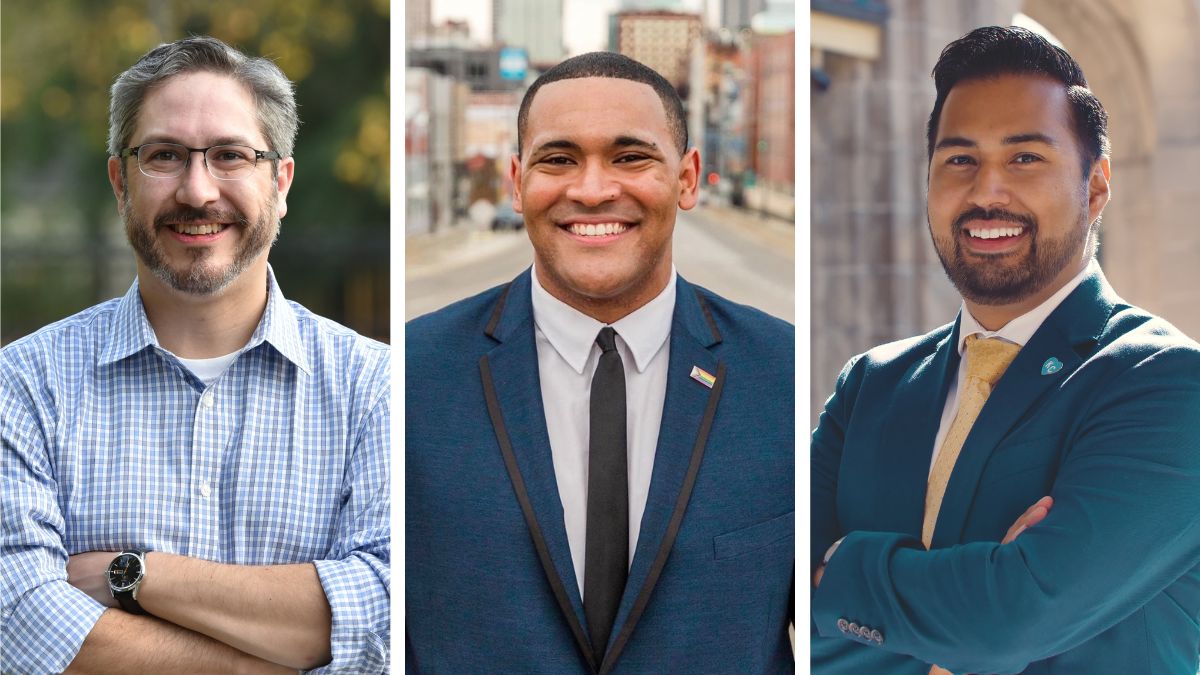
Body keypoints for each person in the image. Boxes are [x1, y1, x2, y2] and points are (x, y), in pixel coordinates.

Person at [810, 26, 1200, 674]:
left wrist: (841, 573)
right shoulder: (870, 385)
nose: (987, 192)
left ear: (1096, 185)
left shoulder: (1168, 385)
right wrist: (974, 587)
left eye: (1025, 158)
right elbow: (777, 597)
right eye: (959, 160)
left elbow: (1012, 618)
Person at [0, 36, 389, 674]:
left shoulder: (375, 390)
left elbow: (383, 611)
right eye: (165, 156)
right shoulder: (23, 387)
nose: (198, 190)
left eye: (231, 155)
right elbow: (19, 624)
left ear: (281, 180)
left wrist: (135, 578)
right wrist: (259, 662)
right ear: (120, 181)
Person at [406, 52, 794, 673]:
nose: (591, 190)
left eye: (630, 157)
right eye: (558, 159)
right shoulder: (410, 378)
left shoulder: (788, 378)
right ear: (517, 181)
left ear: (688, 178)